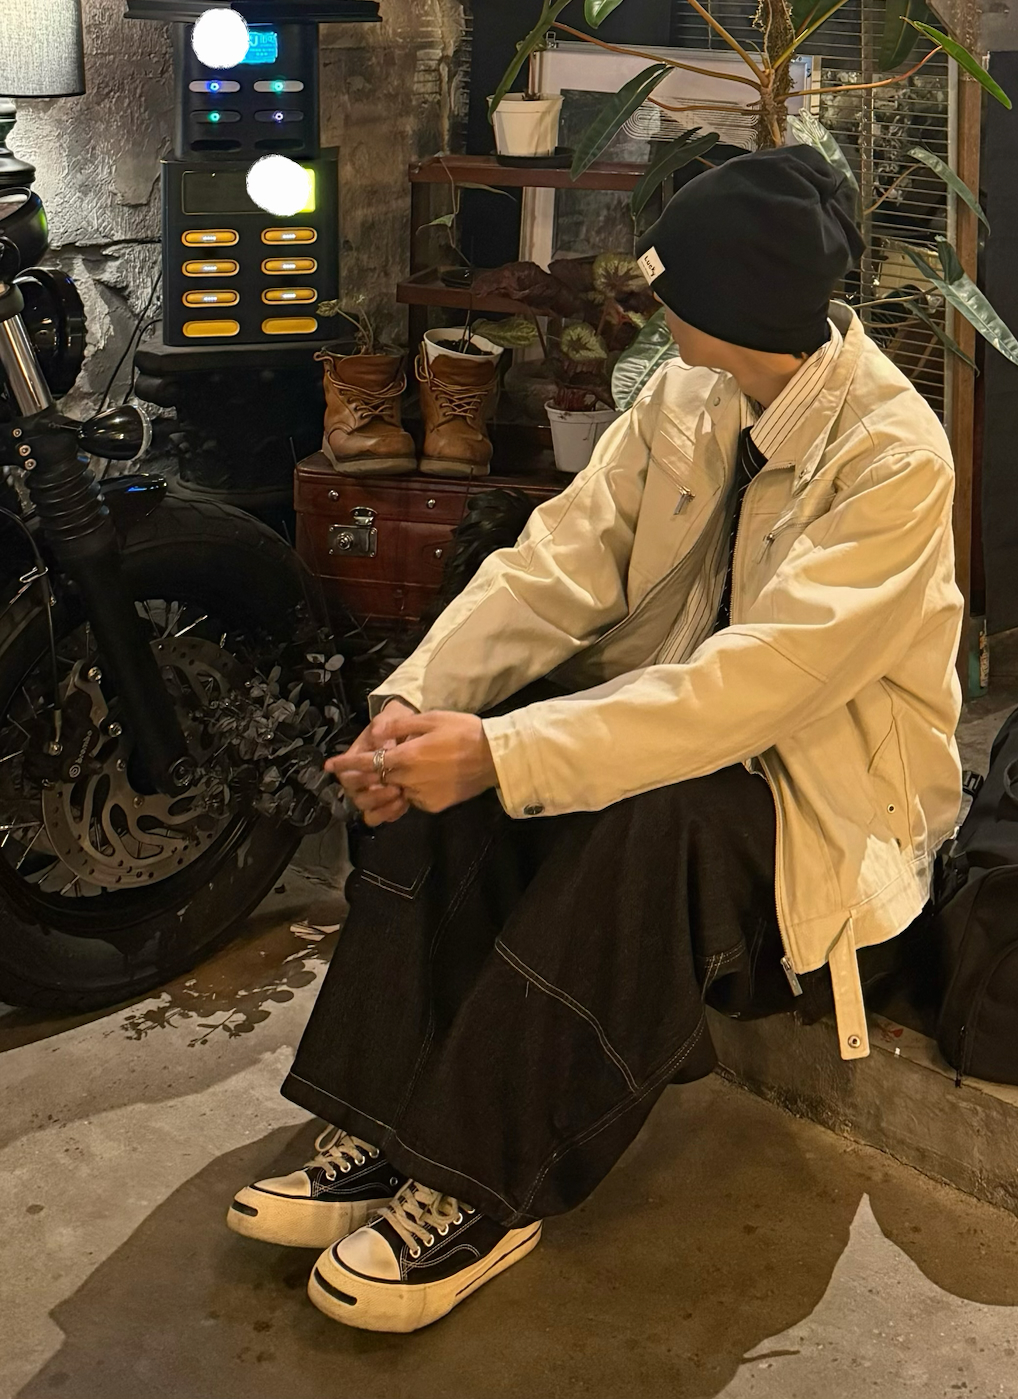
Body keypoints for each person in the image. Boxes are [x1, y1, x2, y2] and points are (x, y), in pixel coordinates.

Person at [227, 144, 965, 1334]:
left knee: (648, 814)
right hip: (663, 741)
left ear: (733, 304)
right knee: (459, 762)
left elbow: (758, 689)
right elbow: (559, 564)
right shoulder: (687, 398)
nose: (651, 305)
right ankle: (388, 1121)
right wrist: (422, 702)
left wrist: (509, 755)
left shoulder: (892, 456)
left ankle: (483, 1184)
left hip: (819, 811)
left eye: (673, 288)